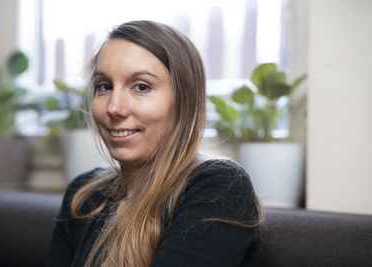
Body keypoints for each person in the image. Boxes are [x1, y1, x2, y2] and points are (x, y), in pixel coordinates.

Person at [48, 20, 261, 267]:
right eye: (104, 86)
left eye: (141, 87)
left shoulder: (220, 187)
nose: (114, 107)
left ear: (183, 101)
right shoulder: (83, 196)